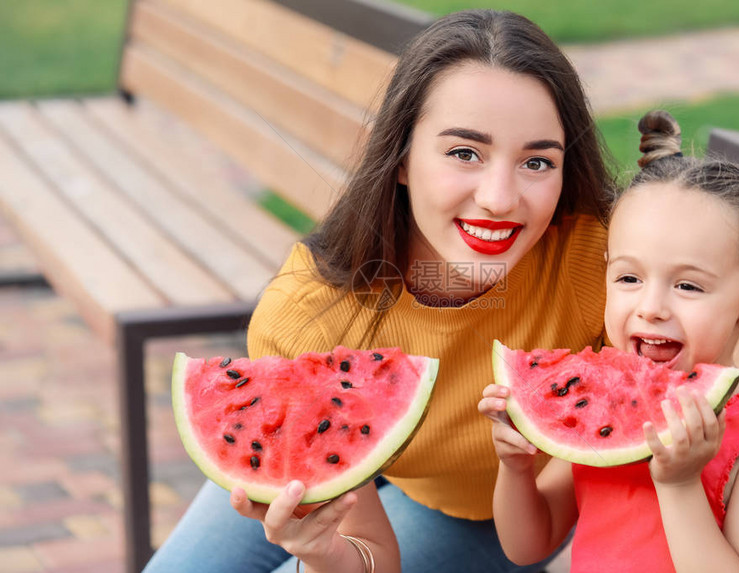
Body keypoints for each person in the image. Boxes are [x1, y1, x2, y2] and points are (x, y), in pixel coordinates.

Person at [144, 9, 615, 573]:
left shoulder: (603, 266)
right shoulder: (307, 316)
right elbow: (369, 554)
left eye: (537, 161)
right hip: (367, 461)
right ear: (401, 161)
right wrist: (323, 552)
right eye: (464, 153)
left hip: (487, 514)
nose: (498, 197)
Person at [480, 109, 739, 572]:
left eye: (688, 286)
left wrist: (680, 486)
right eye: (628, 277)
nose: (651, 307)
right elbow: (528, 546)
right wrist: (516, 469)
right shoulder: (602, 400)